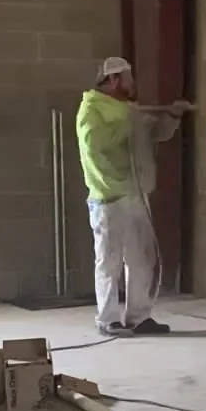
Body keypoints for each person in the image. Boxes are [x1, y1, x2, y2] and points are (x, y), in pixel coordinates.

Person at [76, 55, 185, 337]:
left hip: (137, 193)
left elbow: (155, 134)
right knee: (109, 259)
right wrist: (129, 122)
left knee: (141, 257)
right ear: (113, 80)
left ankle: (139, 316)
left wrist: (172, 115)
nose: (133, 83)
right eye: (128, 77)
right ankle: (108, 318)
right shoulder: (92, 110)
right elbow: (96, 145)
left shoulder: (128, 110)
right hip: (109, 196)